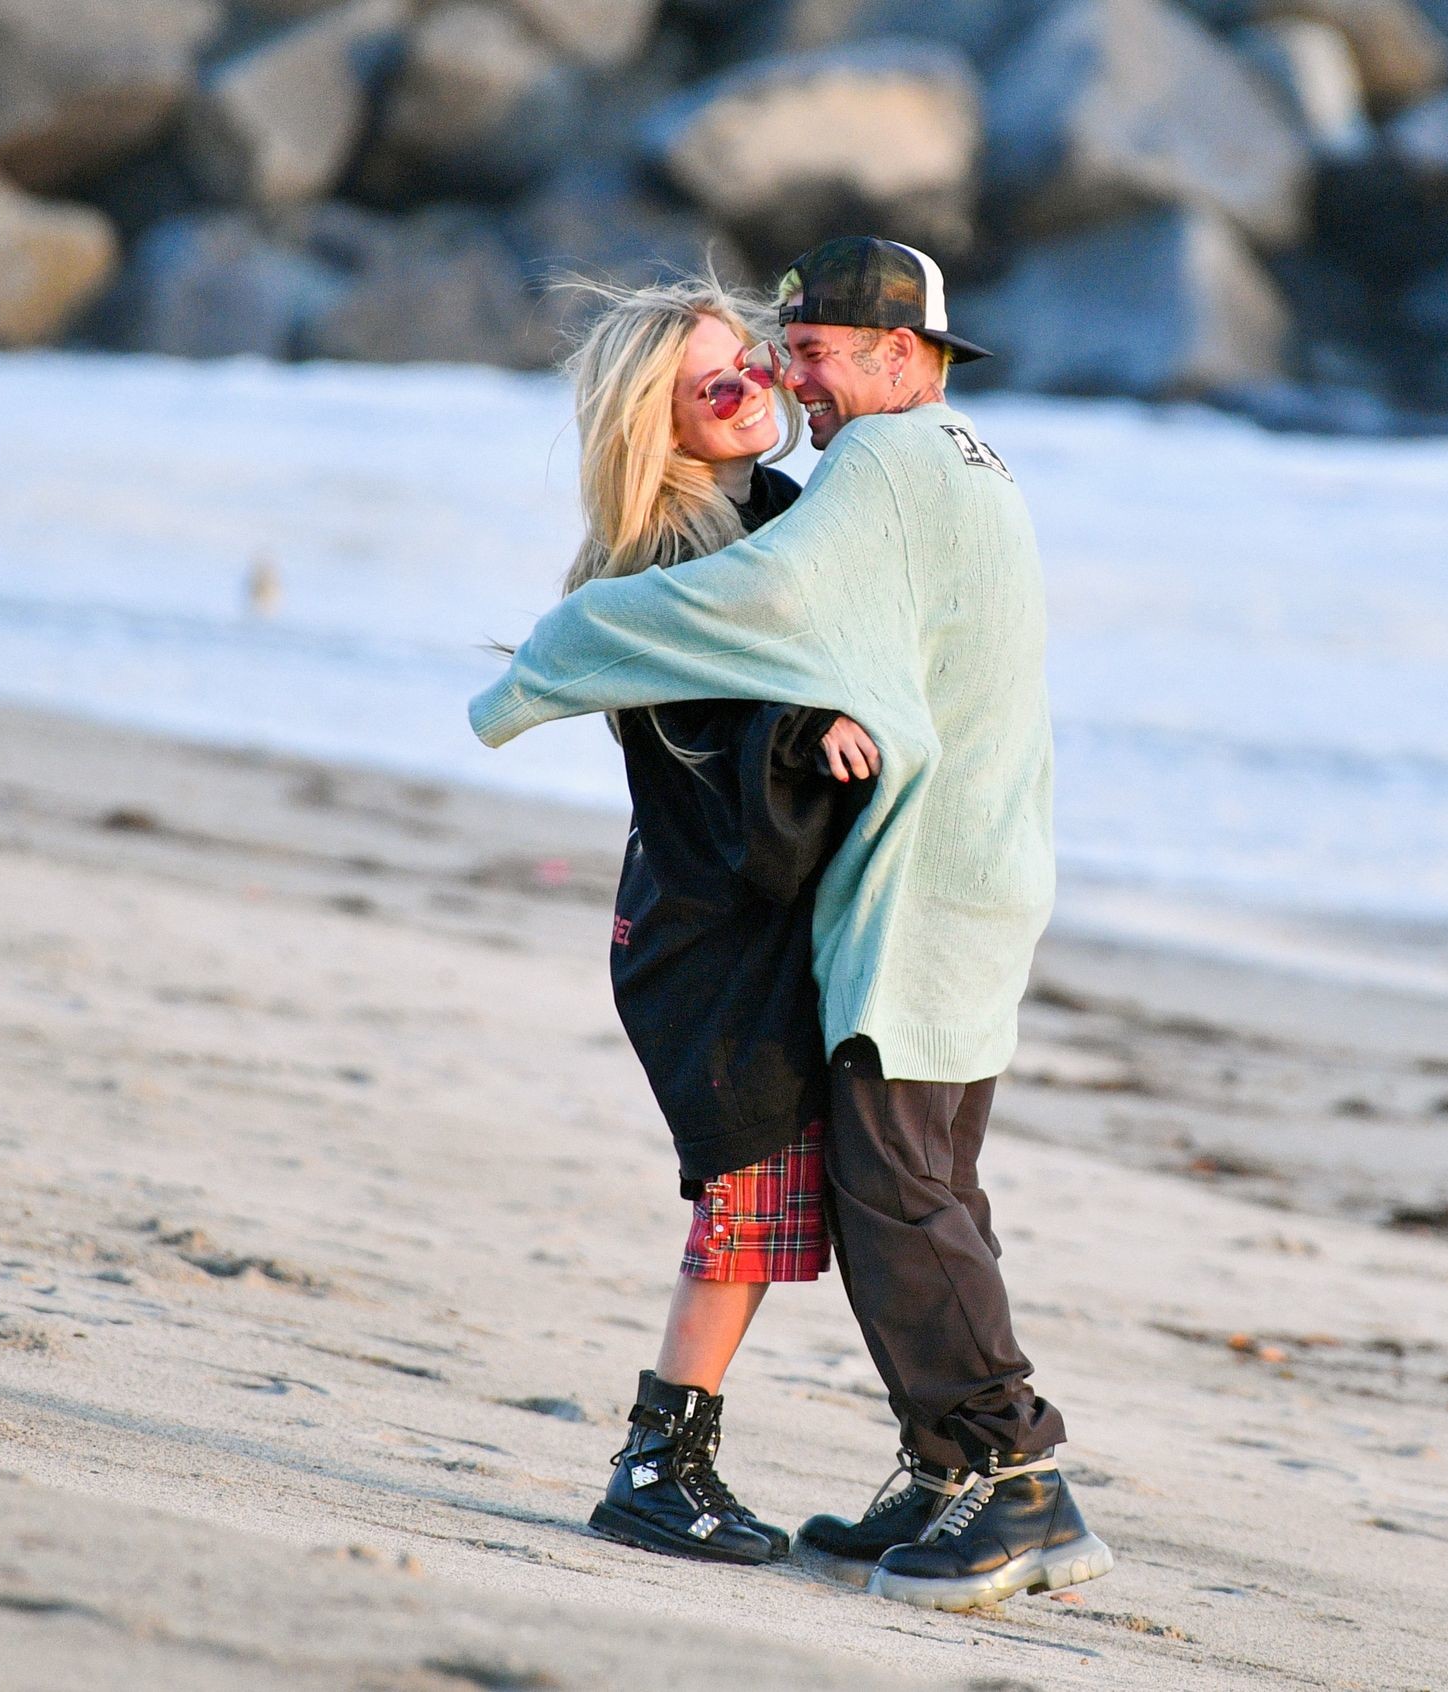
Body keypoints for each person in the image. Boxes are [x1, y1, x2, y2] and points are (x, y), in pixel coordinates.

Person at [470, 238, 1111, 1612]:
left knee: (891, 1194)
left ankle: (994, 1474)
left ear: (901, 357)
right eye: (741, 371)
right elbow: (755, 690)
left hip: (879, 897)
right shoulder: (761, 518)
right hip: (730, 928)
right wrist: (799, 725)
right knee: (798, 1198)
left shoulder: (852, 477)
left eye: (782, 357)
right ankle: (801, 1463)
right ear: (653, 422)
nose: (771, 381)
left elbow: (804, 617)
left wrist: (558, 663)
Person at [541, 276, 882, 1569]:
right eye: (709, 383)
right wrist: (807, 732)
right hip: (700, 934)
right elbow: (719, 734)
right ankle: (655, 1466)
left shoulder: (778, 513)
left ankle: (686, 1456)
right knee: (745, 1196)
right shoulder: (665, 568)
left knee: (773, 1199)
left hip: (756, 919)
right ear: (659, 423)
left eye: (749, 359)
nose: (745, 388)